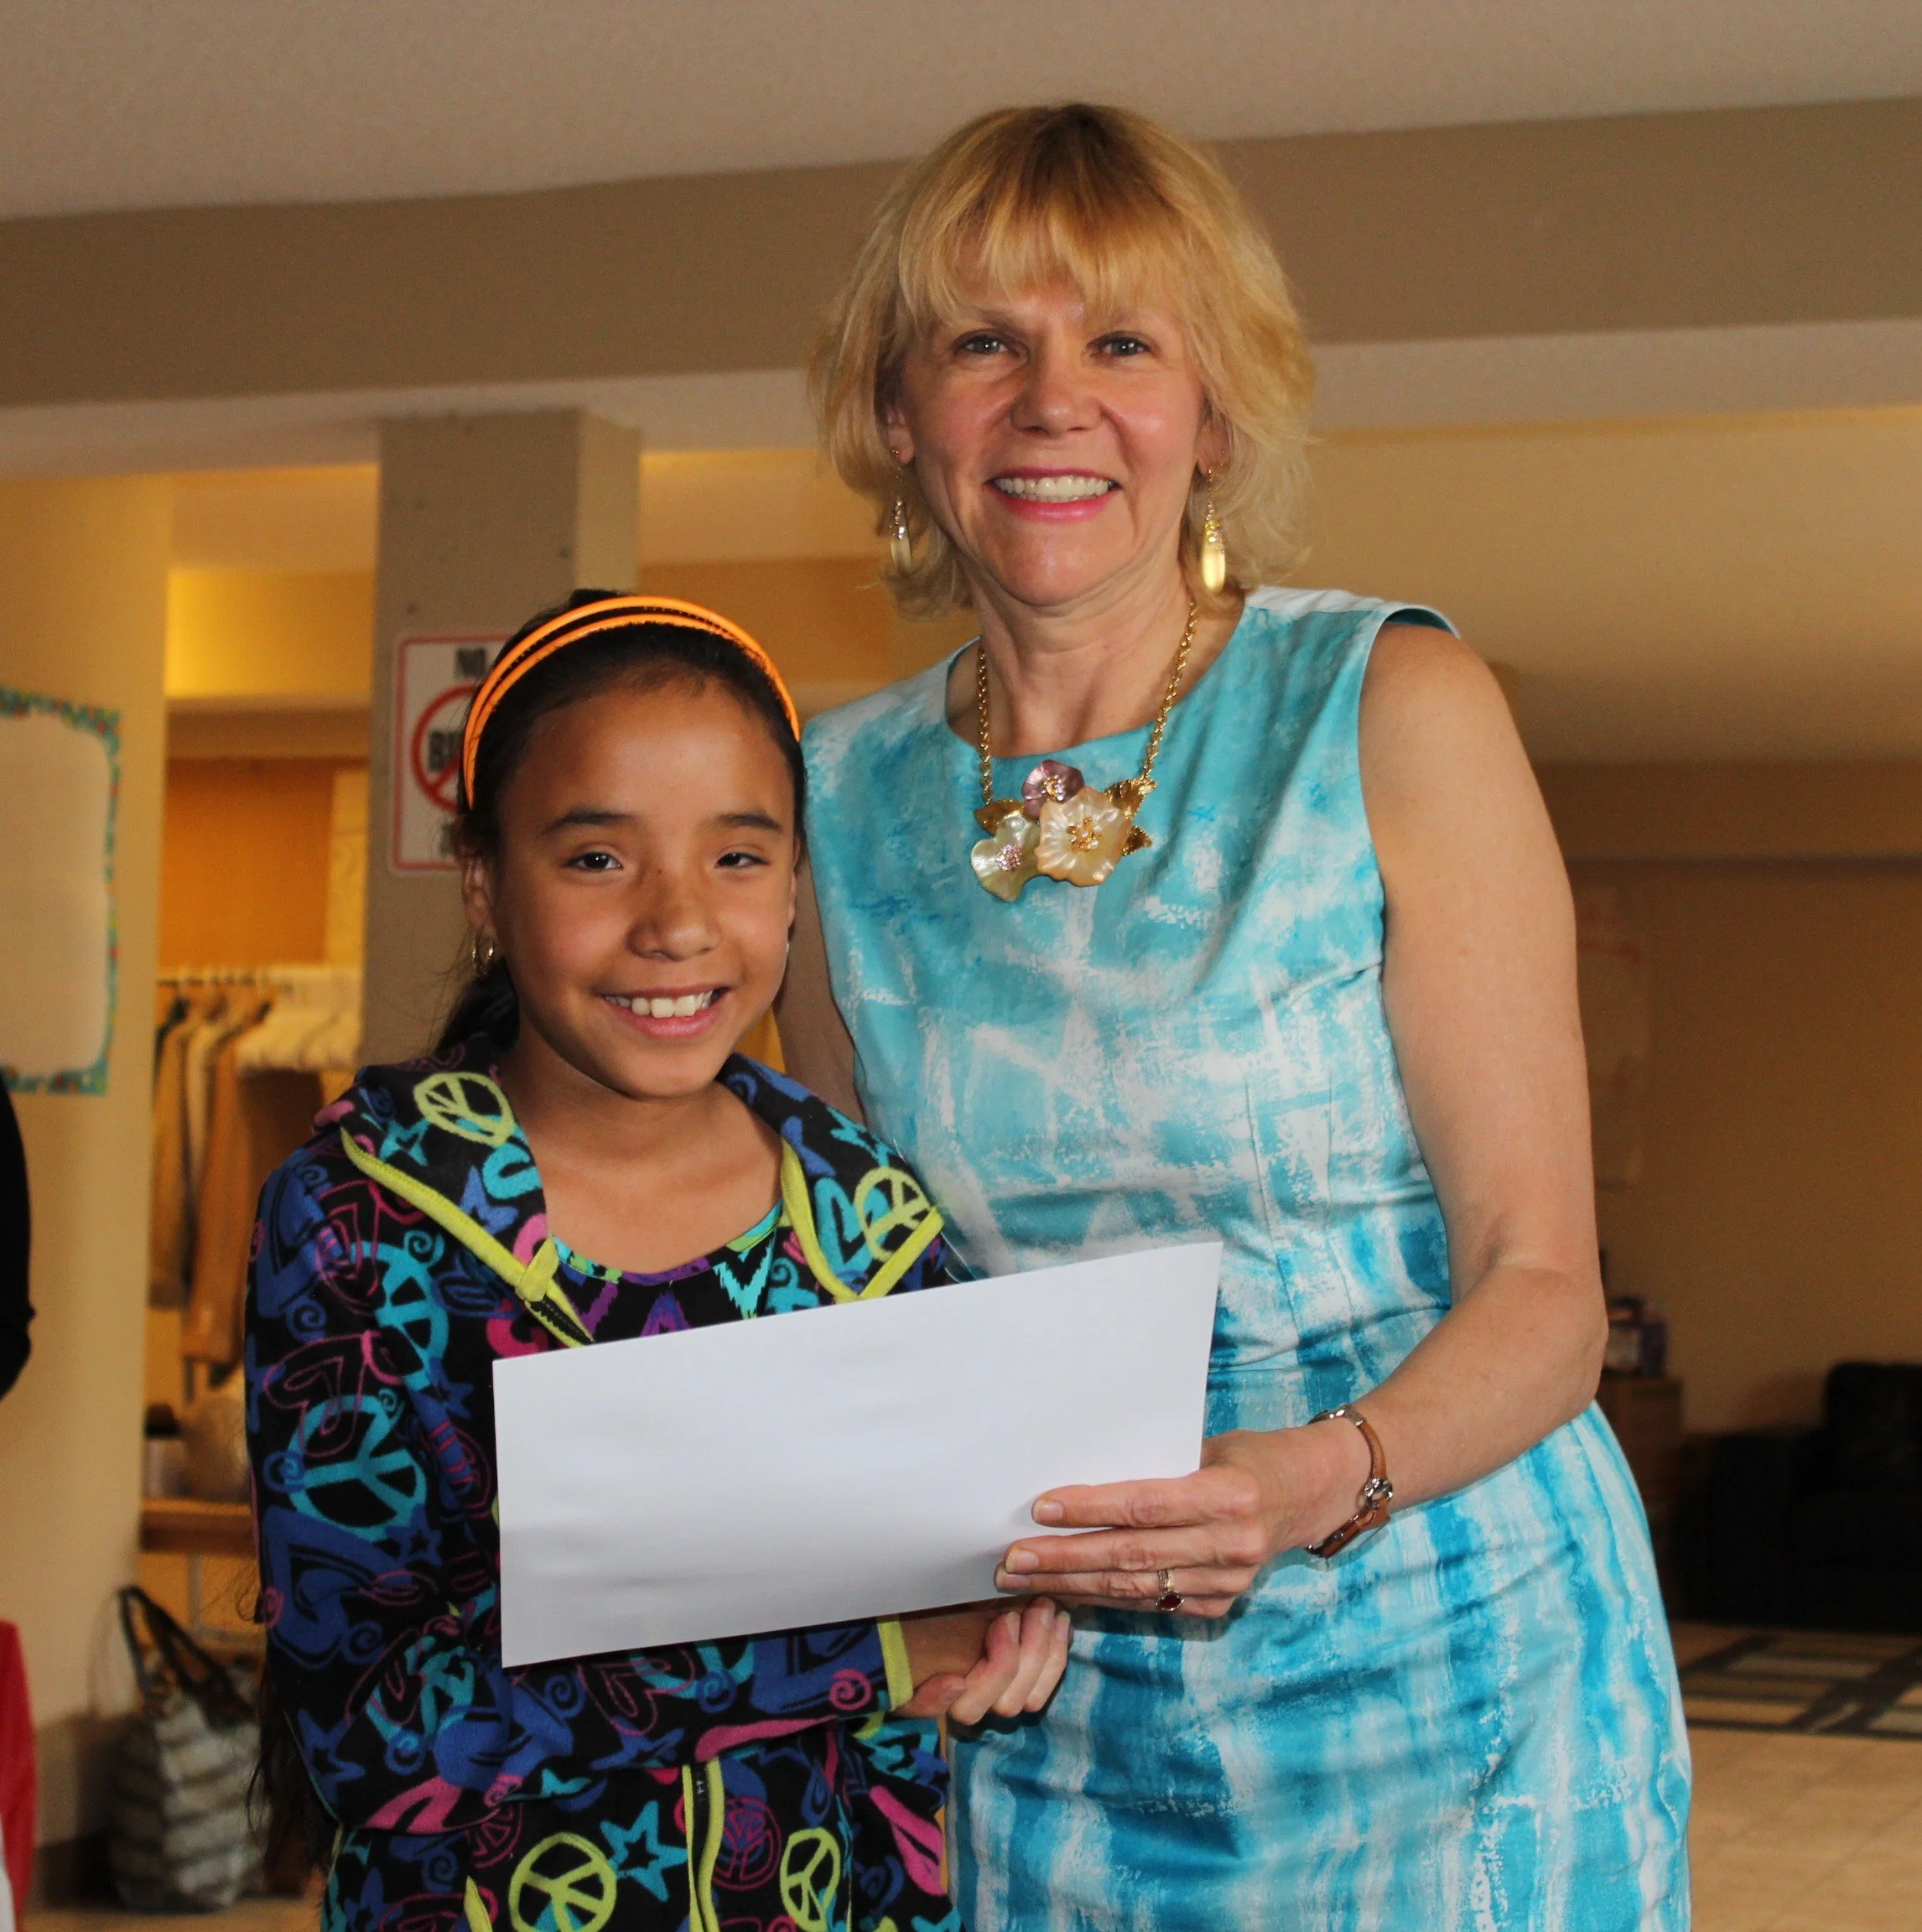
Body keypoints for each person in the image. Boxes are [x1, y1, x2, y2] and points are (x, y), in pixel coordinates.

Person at [784, 103, 1690, 1929]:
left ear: (1215, 417)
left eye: (1122, 342)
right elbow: (873, 1306)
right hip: (1051, 1696)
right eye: (985, 343)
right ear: (901, 418)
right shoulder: (825, 797)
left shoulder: (1391, 702)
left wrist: (1310, 1480)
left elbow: (1543, 1290)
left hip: (1457, 1659)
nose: (1053, 401)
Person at [247, 592, 1069, 1932]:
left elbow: (942, 1602)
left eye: (739, 859)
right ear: (484, 885)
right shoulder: (363, 1220)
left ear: (797, 883)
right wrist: (849, 1655)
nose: (678, 923)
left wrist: (1008, 1620)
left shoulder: (863, 1212)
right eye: (596, 861)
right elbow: (373, 1737)